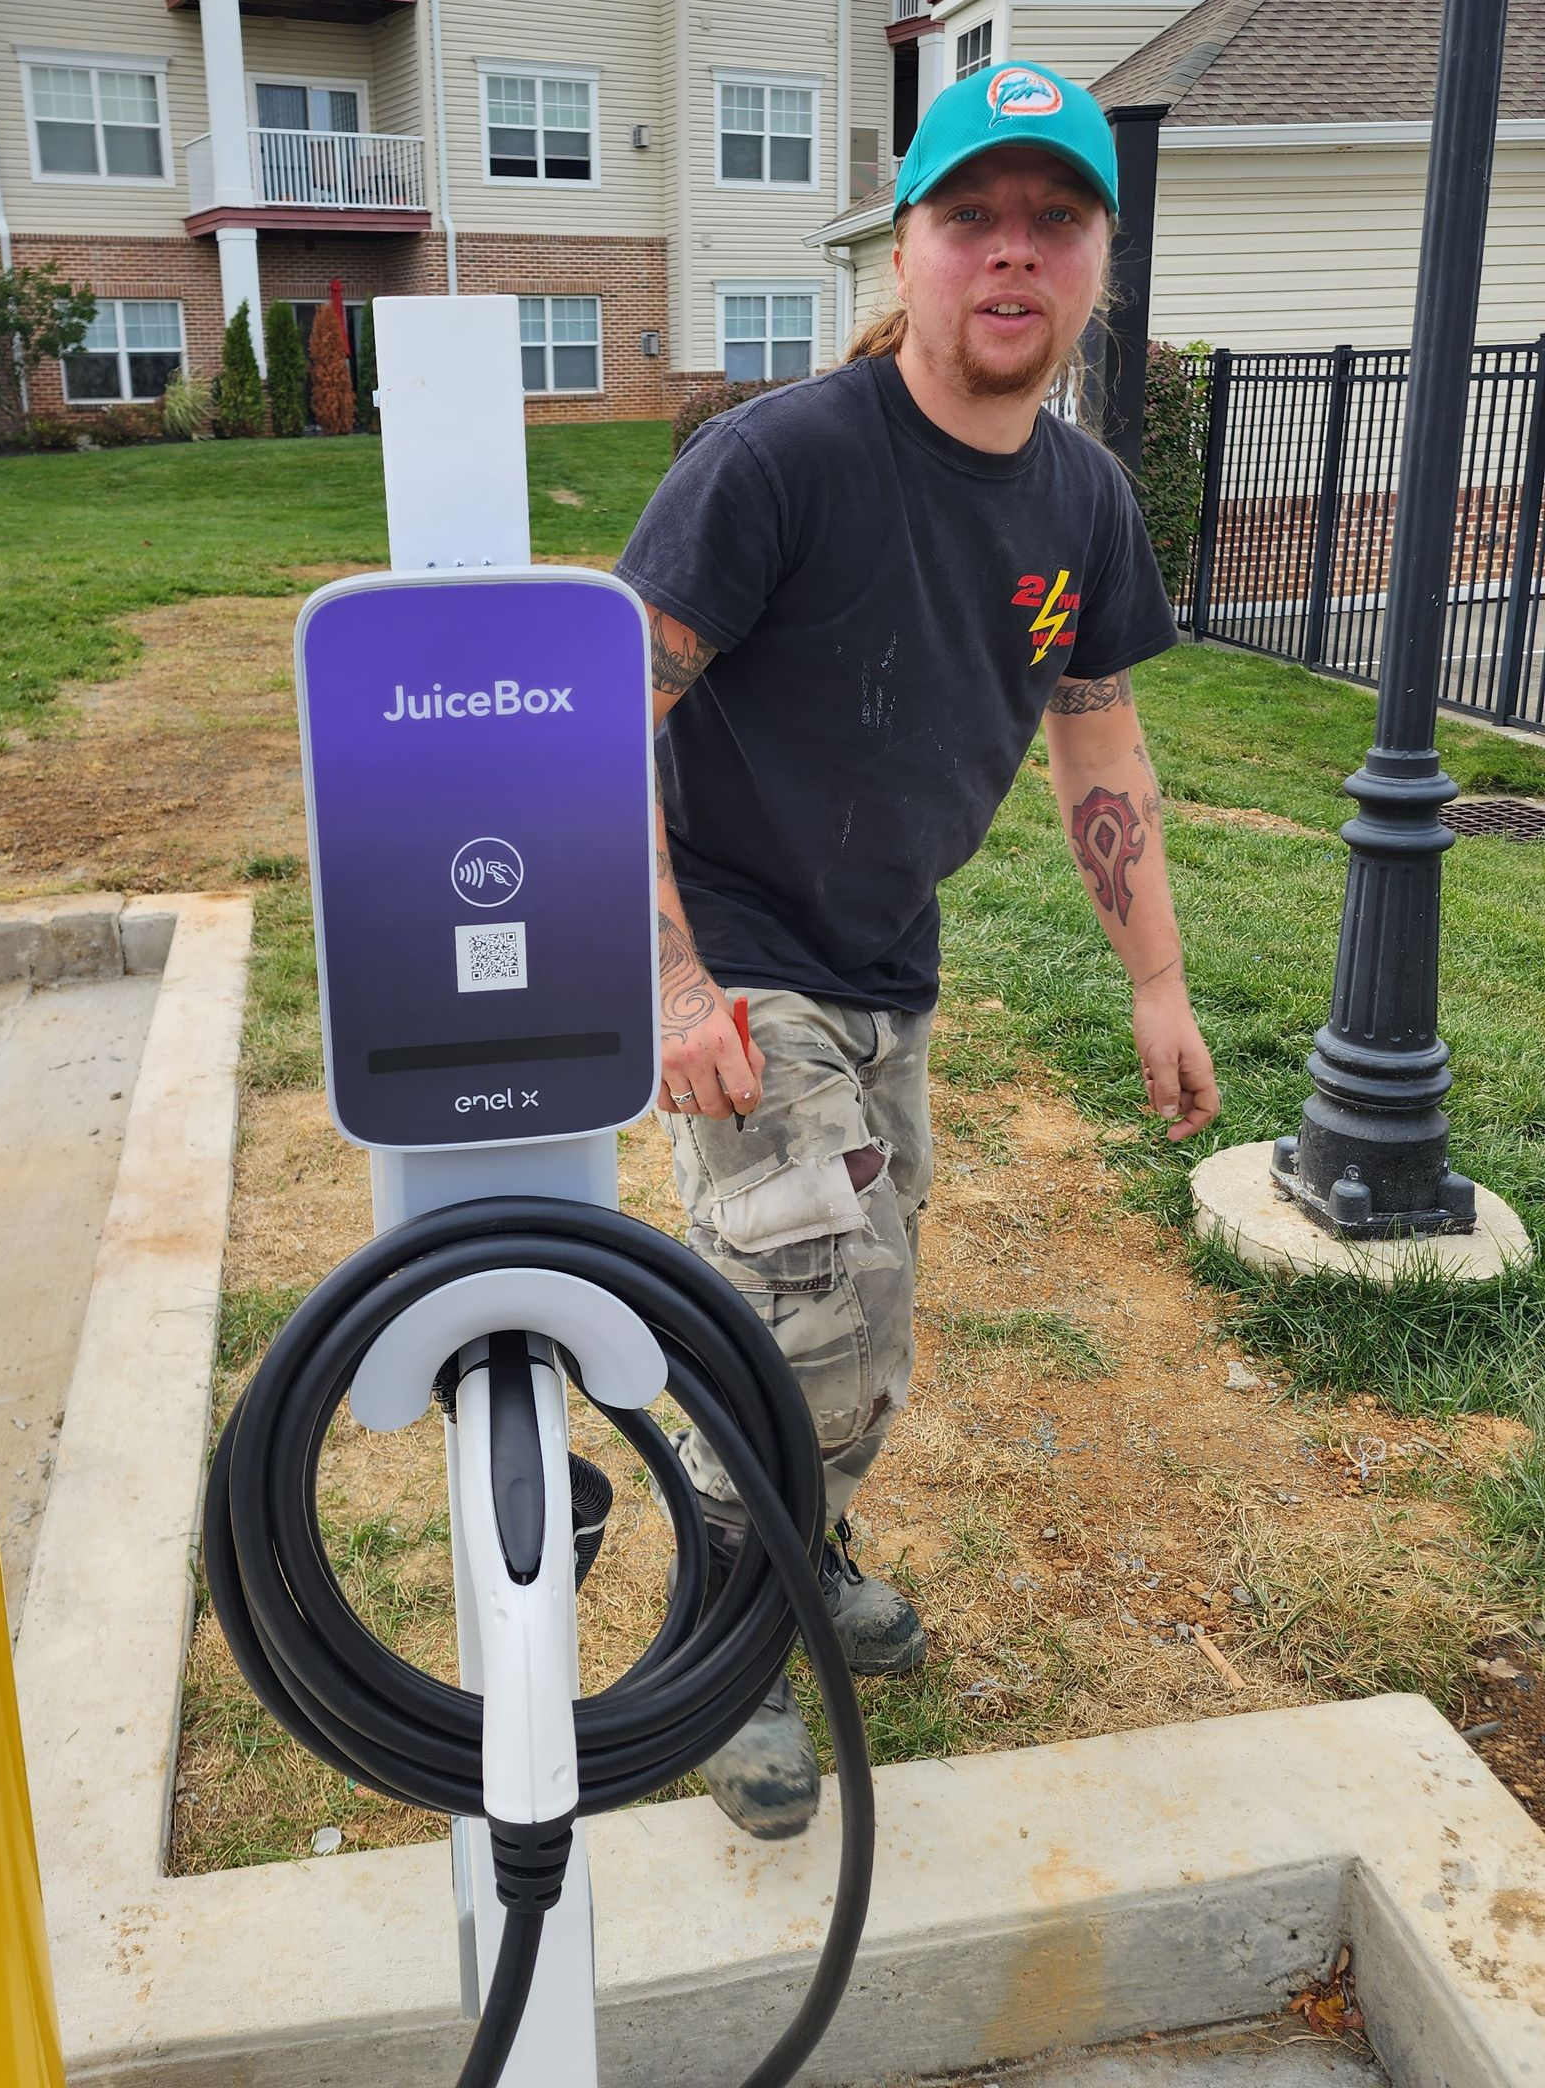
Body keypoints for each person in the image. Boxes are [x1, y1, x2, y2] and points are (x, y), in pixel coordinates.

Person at [614, 60, 1220, 1840]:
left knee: (847, 1311)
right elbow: (596, 722)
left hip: (888, 965)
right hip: (739, 954)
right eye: (973, 218)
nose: (1011, 256)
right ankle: (717, 1650)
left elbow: (1099, 739)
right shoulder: (780, 460)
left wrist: (1161, 986)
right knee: (824, 1314)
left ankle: (798, 1528)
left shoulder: (1084, 505)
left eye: (1055, 219)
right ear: (911, 249)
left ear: (1100, 255)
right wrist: (665, 981)